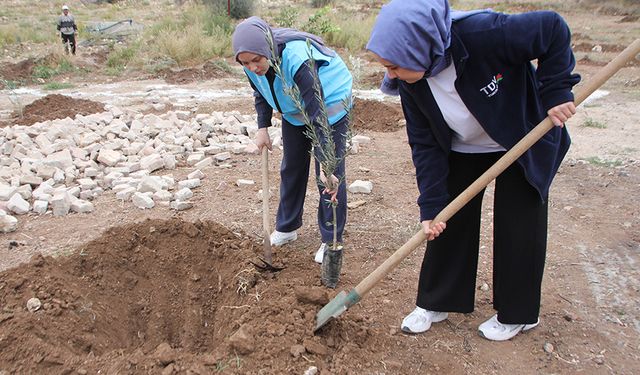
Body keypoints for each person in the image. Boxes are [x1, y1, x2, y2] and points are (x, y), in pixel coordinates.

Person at [366, 0, 580, 341]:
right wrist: (432, 204)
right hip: (462, 146)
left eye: (394, 66)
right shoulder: (410, 81)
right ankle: (437, 301)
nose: (389, 76)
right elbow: (424, 143)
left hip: (520, 137)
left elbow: (552, 28)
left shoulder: (485, 35)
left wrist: (555, 89)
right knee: (446, 220)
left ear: (420, 46)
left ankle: (517, 313)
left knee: (519, 224)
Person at [232, 17, 353, 264]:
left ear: (267, 49)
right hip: (295, 112)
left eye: (257, 60)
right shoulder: (250, 63)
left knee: (328, 178)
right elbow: (260, 91)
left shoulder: (299, 60)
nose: (252, 67)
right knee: (292, 168)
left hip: (328, 108)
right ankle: (287, 228)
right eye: (245, 63)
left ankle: (330, 239)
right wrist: (262, 128)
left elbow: (316, 110)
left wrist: (327, 163)